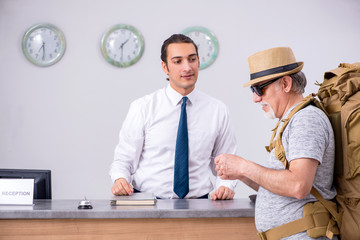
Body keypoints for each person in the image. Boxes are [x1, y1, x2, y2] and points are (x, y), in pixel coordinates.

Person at [215, 47, 337, 239]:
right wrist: (239, 172)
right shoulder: (291, 121)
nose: (255, 98)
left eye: (259, 89)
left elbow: (298, 185)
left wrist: (245, 167)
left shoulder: (306, 119)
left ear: (286, 84)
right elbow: (280, 184)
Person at [109, 34, 237, 200]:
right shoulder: (143, 107)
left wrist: (225, 187)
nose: (187, 67)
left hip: (200, 204)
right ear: (165, 67)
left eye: (192, 59)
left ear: (198, 62)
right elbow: (124, 160)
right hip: (148, 204)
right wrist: (120, 179)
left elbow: (226, 163)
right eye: (178, 61)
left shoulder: (217, 110)